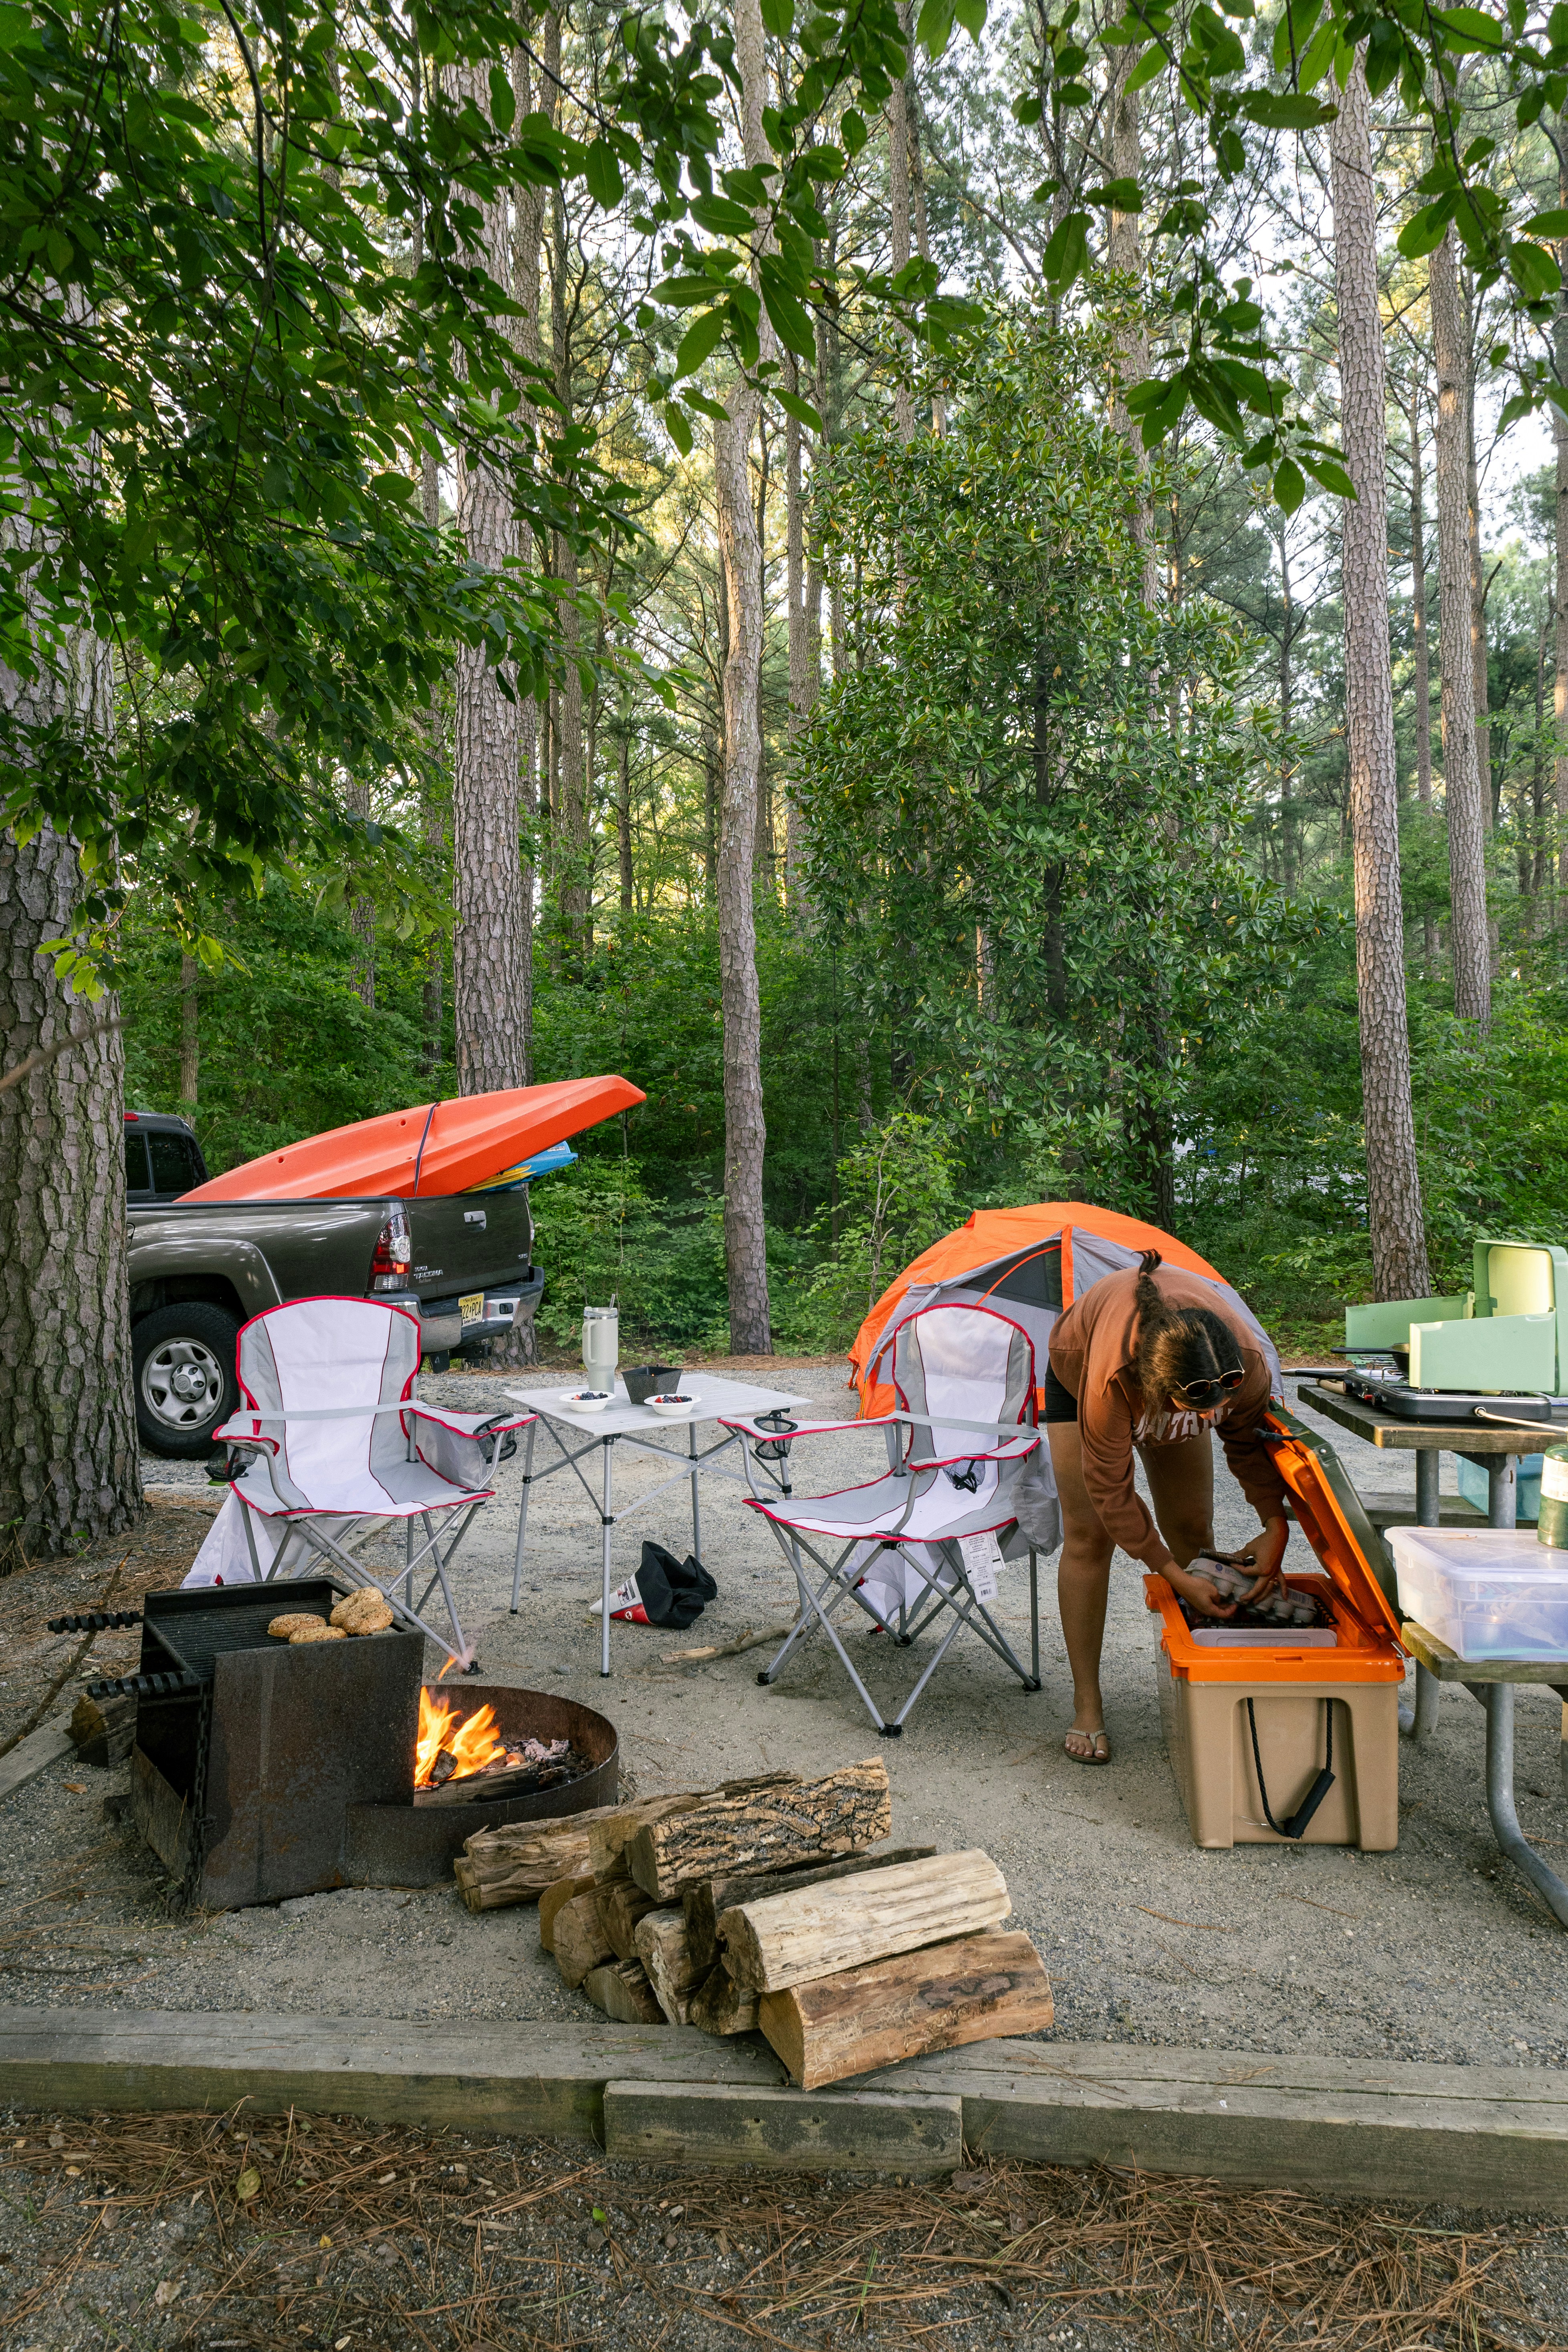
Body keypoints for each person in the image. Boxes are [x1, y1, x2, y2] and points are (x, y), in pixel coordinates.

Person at [1044, 1248, 1289, 1766]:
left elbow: (1249, 1443)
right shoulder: (1111, 1383)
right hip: (1081, 1363)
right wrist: (1170, 1575)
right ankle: (1087, 1701)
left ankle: (1206, 1675)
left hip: (1185, 1371)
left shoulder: (1240, 1362)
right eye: (1202, 1406)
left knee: (1191, 1525)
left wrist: (1275, 1524)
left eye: (1227, 1396)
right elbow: (1112, 1490)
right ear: (1155, 1388)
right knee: (1090, 1533)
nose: (1219, 1413)